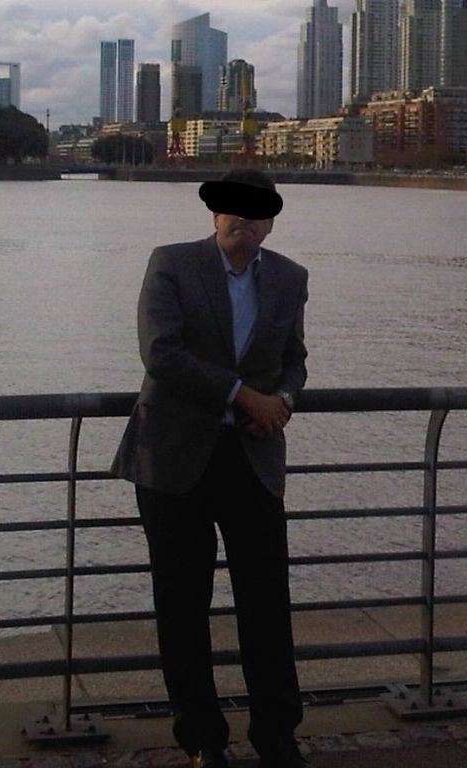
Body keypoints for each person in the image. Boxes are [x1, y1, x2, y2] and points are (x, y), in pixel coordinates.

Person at [112, 168, 309, 768]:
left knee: (267, 602)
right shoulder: (172, 263)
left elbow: (294, 360)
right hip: (174, 458)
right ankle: (202, 739)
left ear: (270, 221)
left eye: (256, 211)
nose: (243, 218)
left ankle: (277, 737)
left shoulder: (290, 278)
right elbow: (161, 353)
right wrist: (244, 396)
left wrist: (282, 402)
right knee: (182, 603)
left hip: (251, 458)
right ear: (214, 213)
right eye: (232, 208)